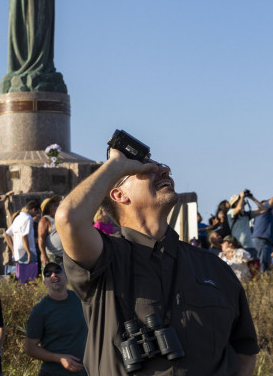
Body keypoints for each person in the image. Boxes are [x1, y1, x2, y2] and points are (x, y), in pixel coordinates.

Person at [56, 146, 259, 375]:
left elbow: (245, 352)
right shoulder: (105, 259)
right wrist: (115, 165)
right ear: (119, 194)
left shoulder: (214, 268)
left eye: (161, 166)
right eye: (146, 169)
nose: (164, 170)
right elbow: (68, 219)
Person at [25, 263, 87, 376]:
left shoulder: (80, 300)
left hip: (84, 372)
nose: (54, 275)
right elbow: (30, 348)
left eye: (57, 271)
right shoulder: (40, 310)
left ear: (66, 276)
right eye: (48, 274)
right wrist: (59, 358)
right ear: (45, 283)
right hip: (53, 372)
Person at [7, 201, 40, 283]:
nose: (36, 214)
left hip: (19, 252)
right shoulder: (28, 218)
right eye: (37, 212)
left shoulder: (18, 218)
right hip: (27, 251)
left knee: (22, 279)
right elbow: (24, 236)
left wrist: (13, 250)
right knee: (31, 280)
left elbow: (7, 234)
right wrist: (29, 253)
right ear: (33, 209)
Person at [38, 197, 64, 267]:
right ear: (48, 208)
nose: (56, 204)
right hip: (52, 257)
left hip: (63, 257)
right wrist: (43, 255)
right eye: (53, 204)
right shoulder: (45, 220)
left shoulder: (58, 218)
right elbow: (41, 238)